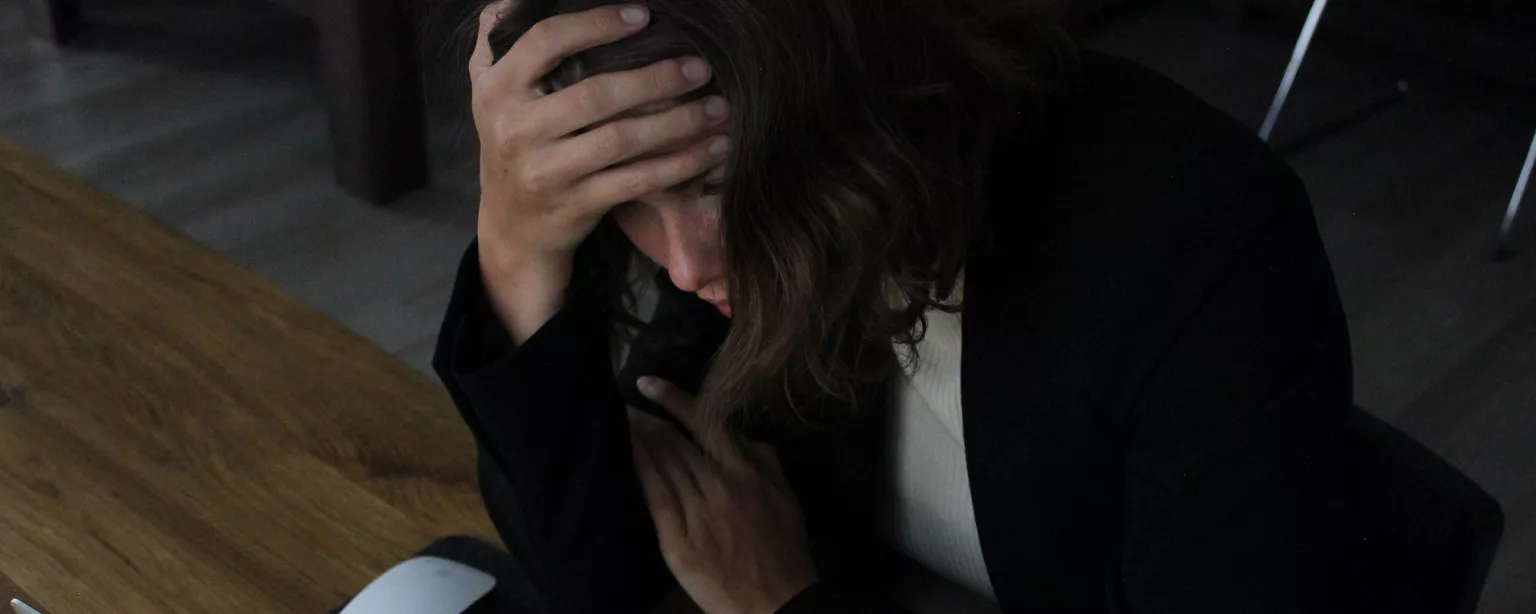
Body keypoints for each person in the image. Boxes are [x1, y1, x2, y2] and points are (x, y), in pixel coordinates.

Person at [435, 0, 1358, 612]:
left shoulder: (1196, 246)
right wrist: (519, 247)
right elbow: (608, 583)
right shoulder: (740, 226)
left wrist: (785, 604)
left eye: (717, 187)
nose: (681, 267)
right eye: (623, 203)